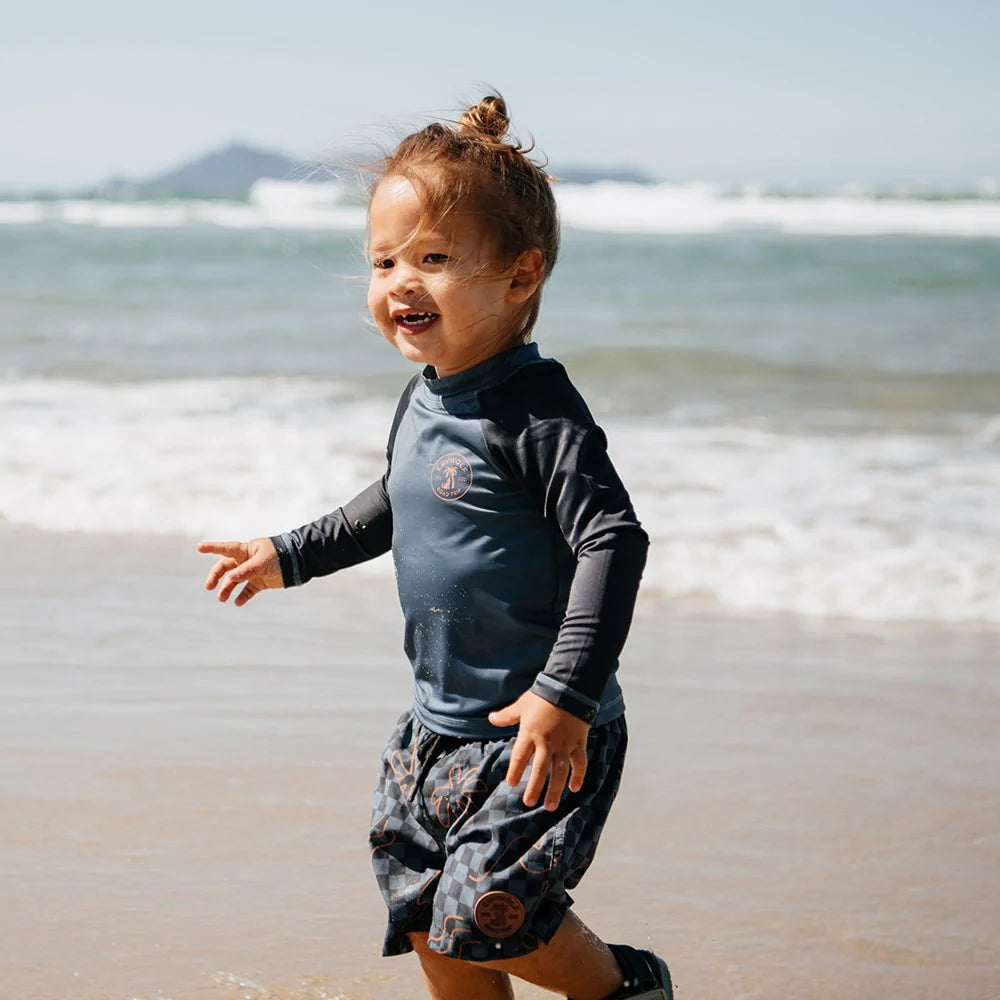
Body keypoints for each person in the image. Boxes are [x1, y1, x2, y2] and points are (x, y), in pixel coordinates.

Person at [197, 94, 673, 1000]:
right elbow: (394, 504)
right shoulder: (425, 396)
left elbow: (613, 538)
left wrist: (565, 694)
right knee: (423, 913)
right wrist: (288, 554)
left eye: (435, 259)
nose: (400, 283)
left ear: (520, 277)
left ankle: (629, 988)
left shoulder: (536, 411)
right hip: (433, 727)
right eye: (384, 261)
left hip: (537, 733)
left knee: (493, 916)